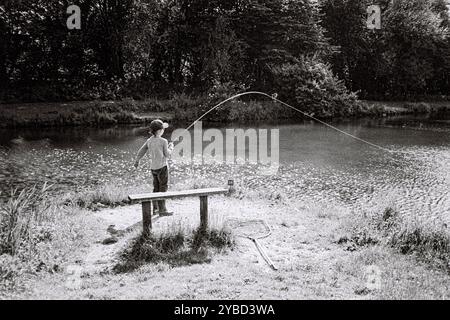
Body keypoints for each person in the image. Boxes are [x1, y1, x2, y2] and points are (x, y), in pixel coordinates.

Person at [134, 119, 174, 216]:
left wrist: (137, 160)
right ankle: (163, 210)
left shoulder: (149, 141)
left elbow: (141, 151)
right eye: (163, 129)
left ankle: (155, 209)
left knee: (156, 188)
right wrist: (171, 147)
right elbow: (167, 155)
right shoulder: (164, 141)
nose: (163, 131)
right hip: (163, 167)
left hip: (153, 168)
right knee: (163, 188)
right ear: (160, 131)